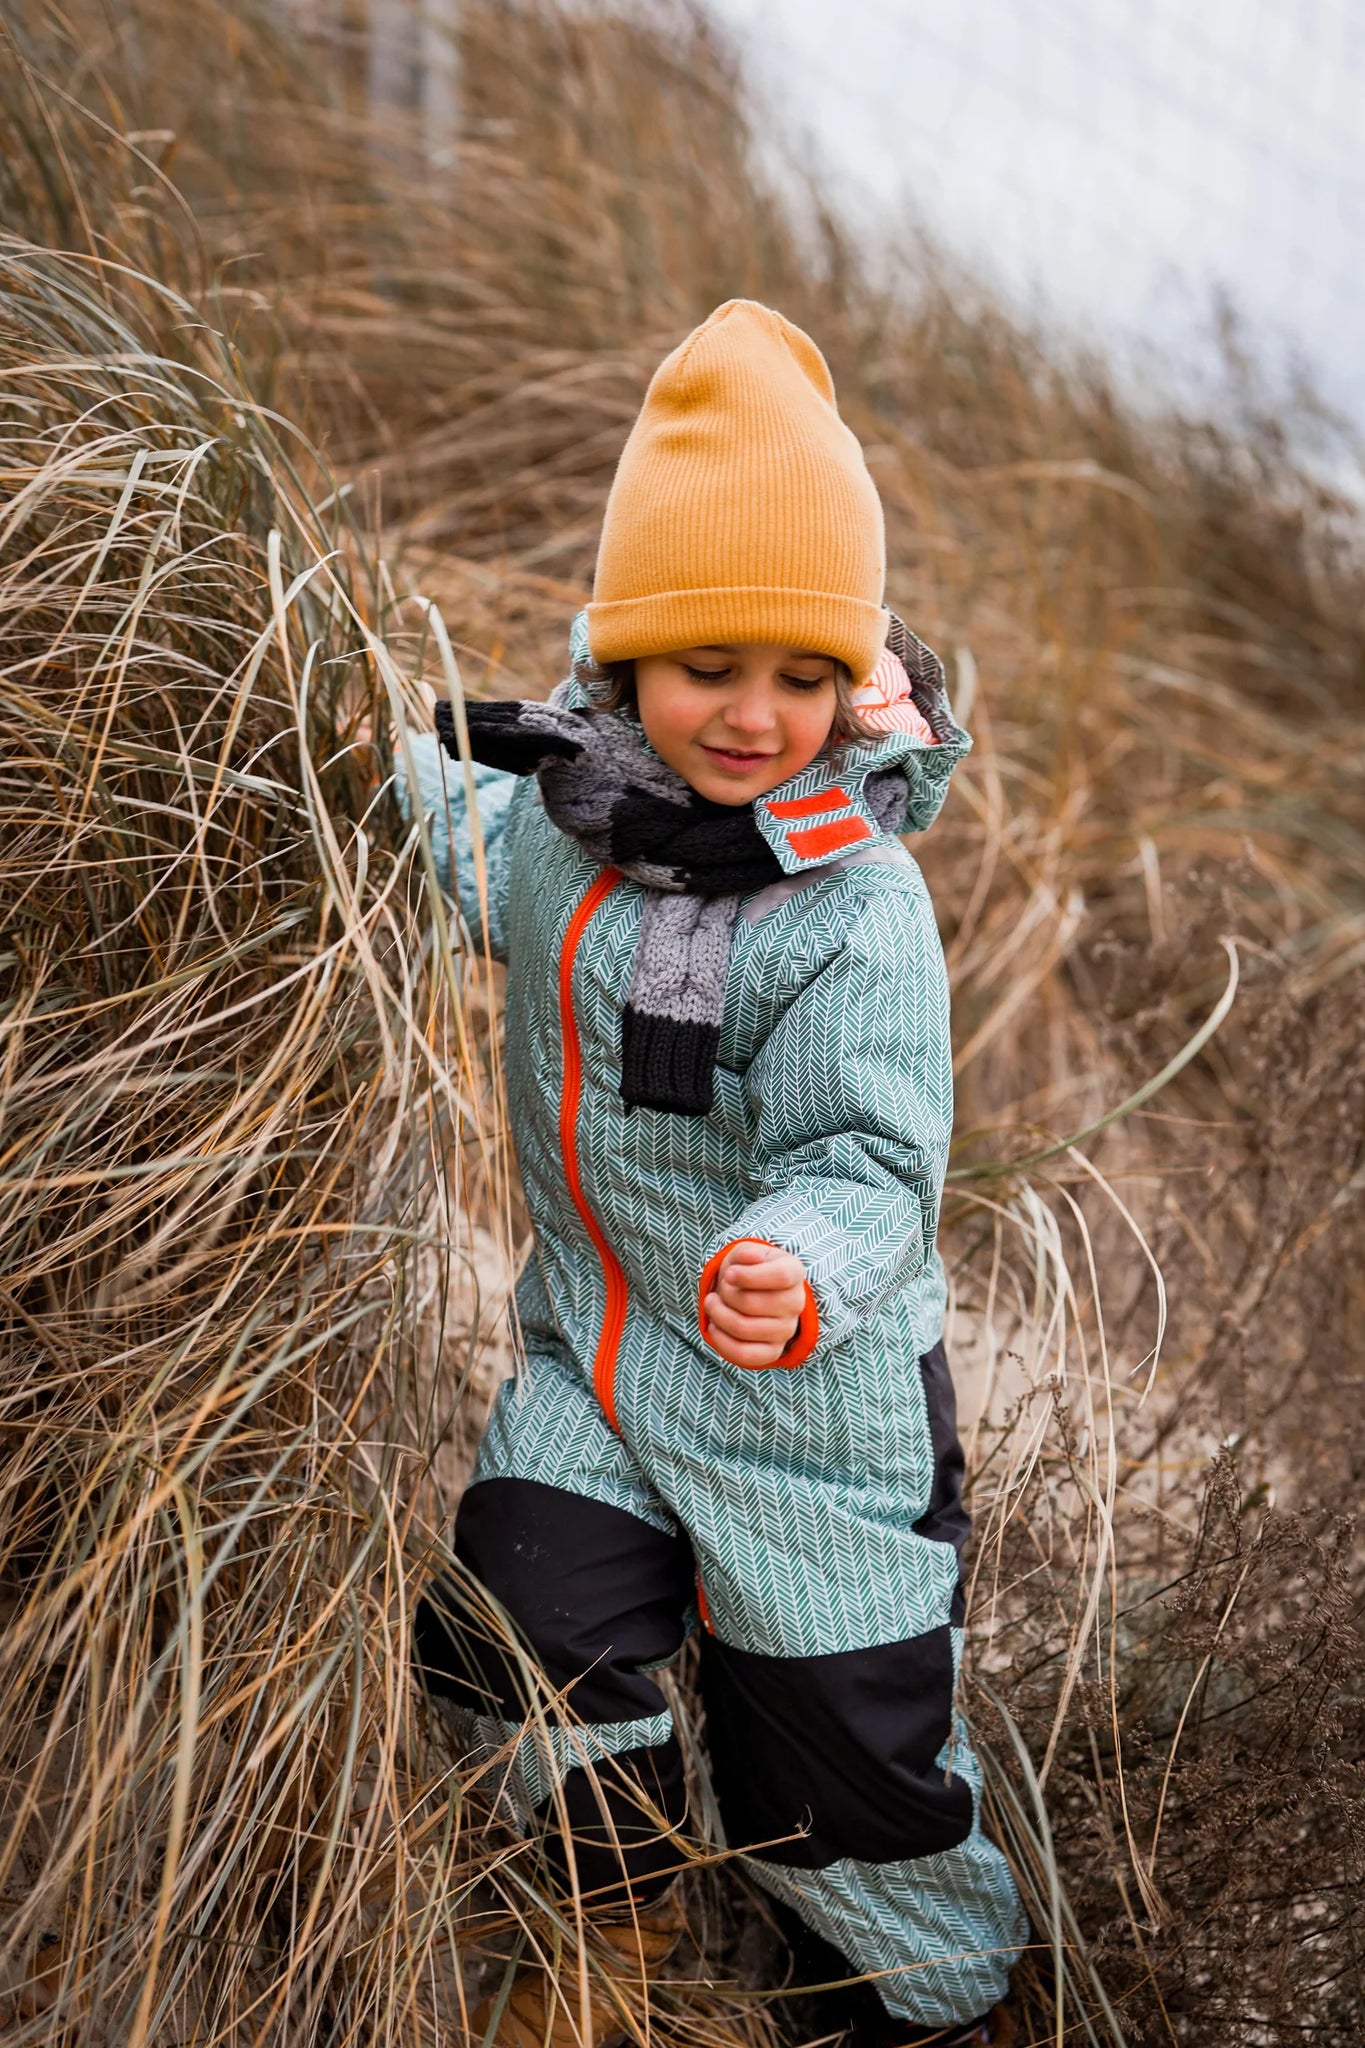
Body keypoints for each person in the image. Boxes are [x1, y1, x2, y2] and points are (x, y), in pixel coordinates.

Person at [406, 300, 1026, 2048]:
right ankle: (606, 1913)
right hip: (598, 1365)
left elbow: (866, 1152)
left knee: (842, 1783)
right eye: (709, 668)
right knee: (518, 1616)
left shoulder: (852, 908)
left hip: (809, 1413)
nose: (755, 717)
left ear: (857, 685)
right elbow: (454, 832)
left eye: (805, 677)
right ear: (622, 659)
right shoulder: (559, 817)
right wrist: (301, 738)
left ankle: (931, 2006)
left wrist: (798, 1259)